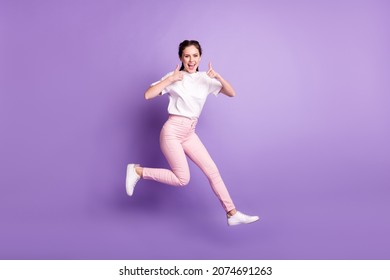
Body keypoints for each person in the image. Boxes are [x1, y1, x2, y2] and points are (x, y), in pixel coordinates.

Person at [126, 40, 259, 226]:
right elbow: (148, 95)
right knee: (183, 179)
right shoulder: (174, 77)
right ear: (181, 57)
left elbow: (231, 93)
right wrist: (170, 79)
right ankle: (137, 171)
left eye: (195, 56)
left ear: (200, 57)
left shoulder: (205, 78)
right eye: (187, 56)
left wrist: (218, 77)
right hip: (172, 132)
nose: (191, 60)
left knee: (213, 171)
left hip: (189, 133)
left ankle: (232, 213)